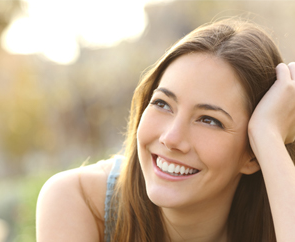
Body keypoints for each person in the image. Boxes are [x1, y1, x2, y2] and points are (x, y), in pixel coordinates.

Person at [36, 18, 295, 242]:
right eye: (162, 103)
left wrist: (269, 135)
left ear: (252, 155)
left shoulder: (279, 219)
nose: (171, 138)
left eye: (209, 120)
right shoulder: (78, 201)